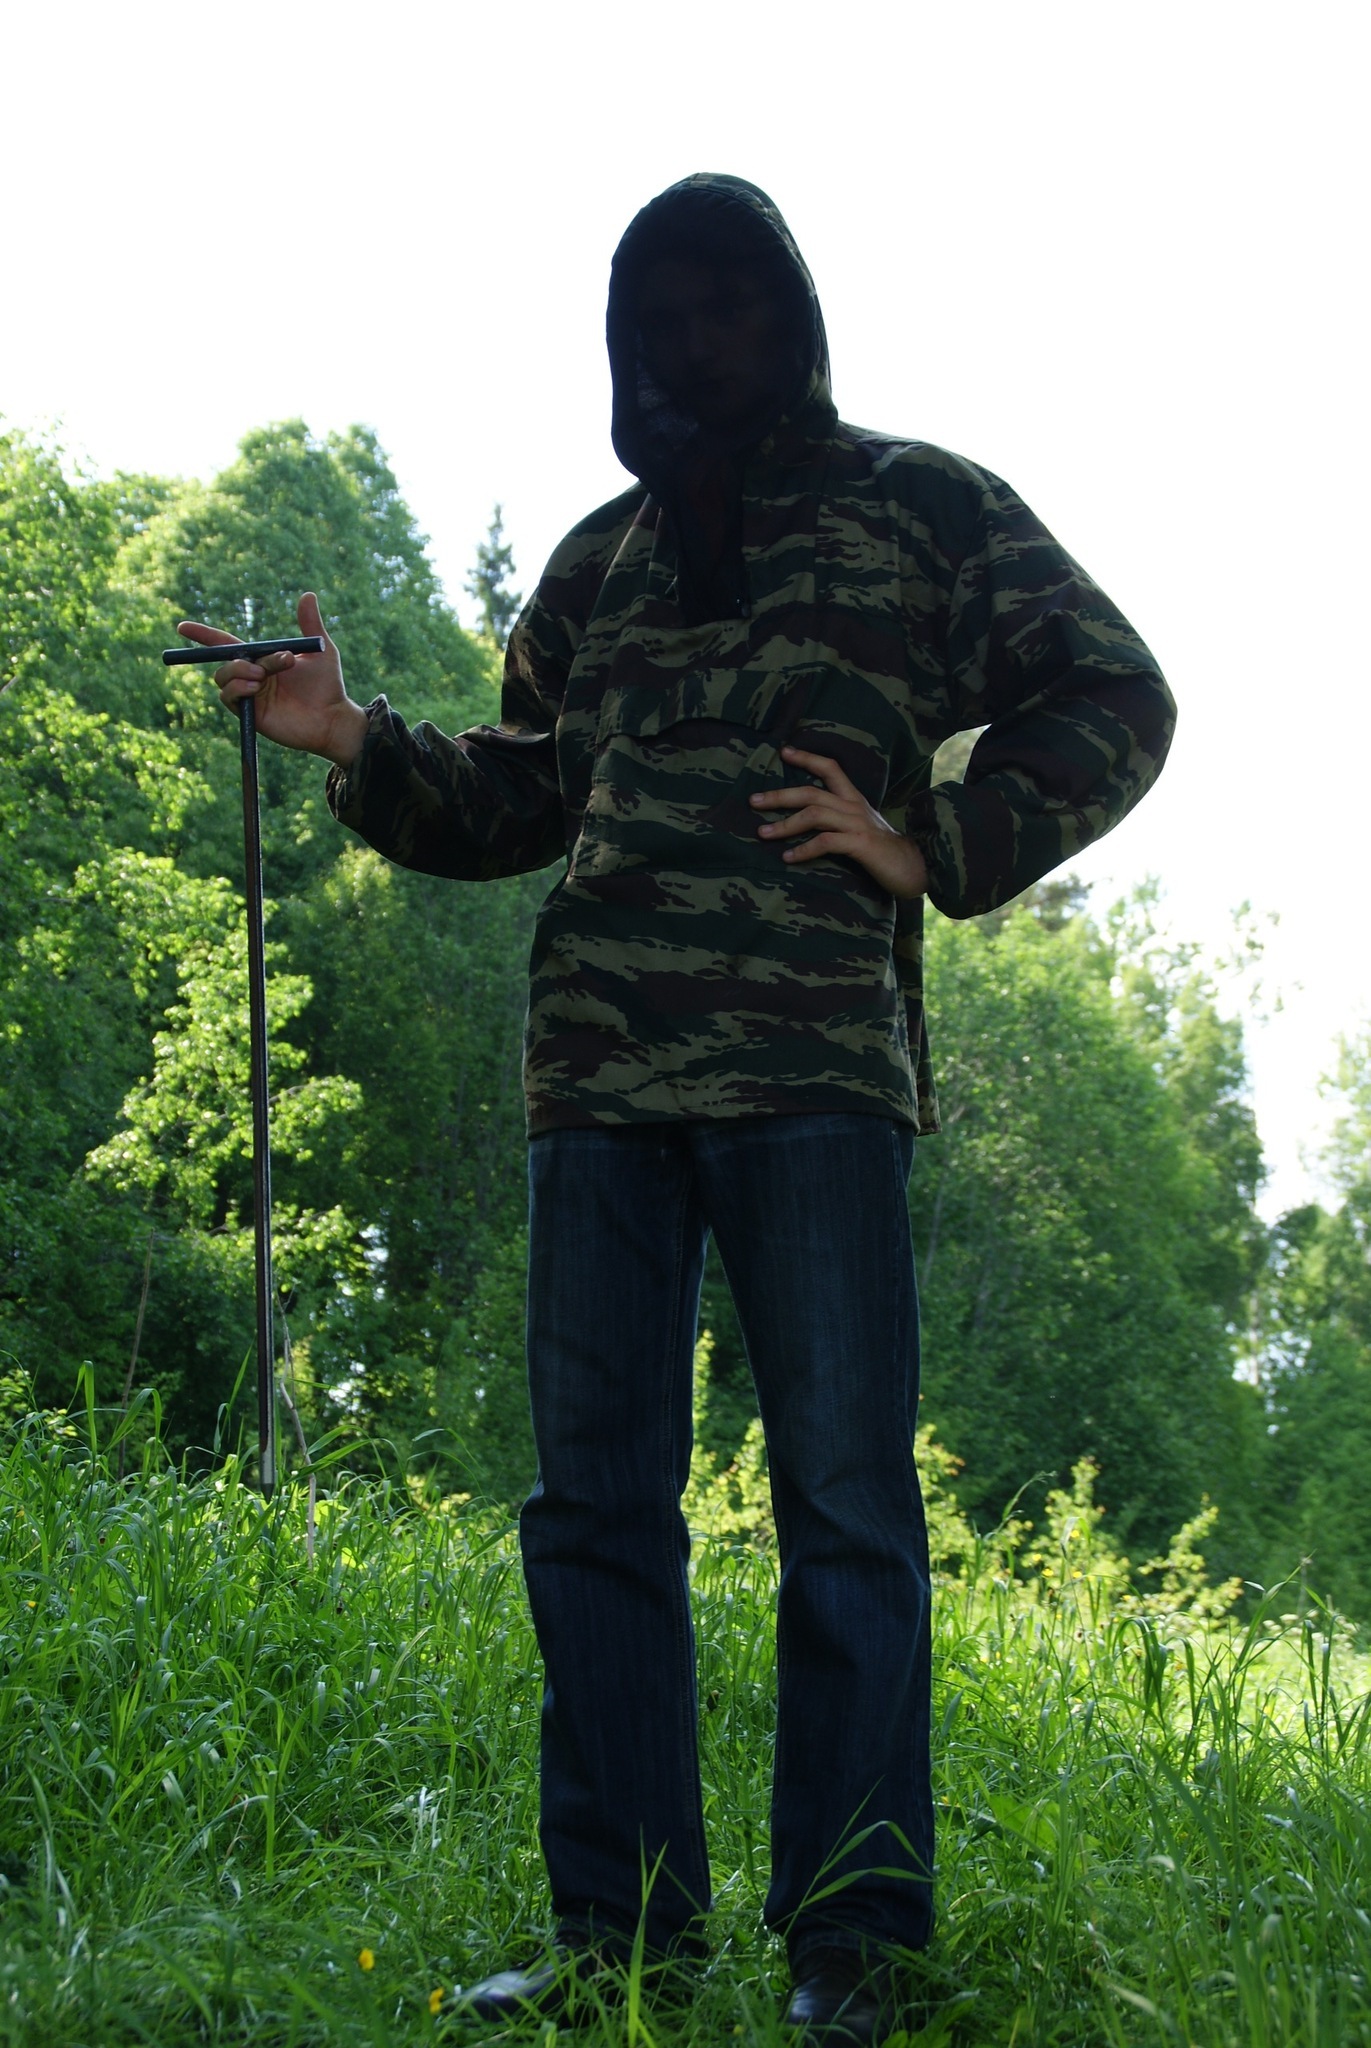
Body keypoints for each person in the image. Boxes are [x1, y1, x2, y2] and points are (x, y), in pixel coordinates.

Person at [181, 173, 1175, 2042]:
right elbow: (522, 796)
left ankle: (854, 1949)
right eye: (659, 312)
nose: (693, 342)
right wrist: (348, 736)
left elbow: (1117, 695)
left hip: (818, 1079)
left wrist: (937, 838)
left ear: (791, 317)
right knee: (593, 1514)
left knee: (847, 1511)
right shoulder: (597, 565)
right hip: (596, 1087)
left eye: (729, 304)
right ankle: (619, 1940)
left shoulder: (925, 508)